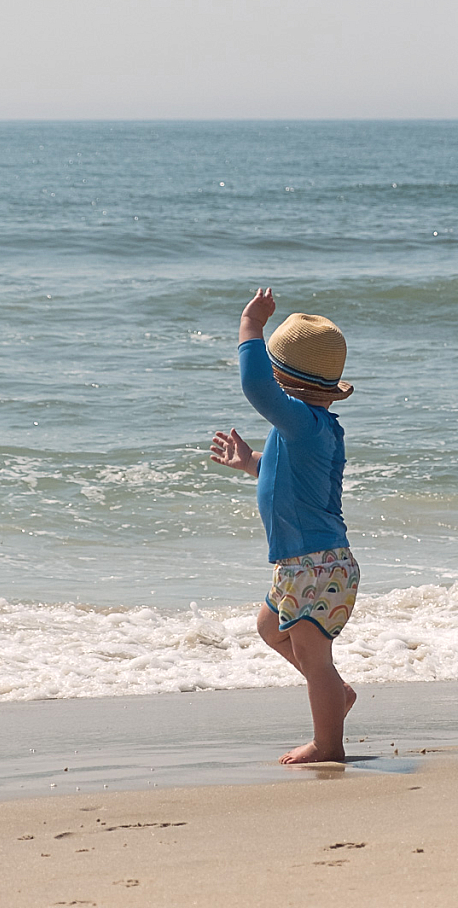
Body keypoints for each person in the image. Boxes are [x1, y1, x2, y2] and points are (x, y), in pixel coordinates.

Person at [210, 287, 359, 765]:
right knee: (269, 627)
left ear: (284, 380)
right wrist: (251, 462)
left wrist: (249, 325)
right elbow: (290, 481)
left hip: (313, 564)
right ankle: (334, 696)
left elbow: (255, 386)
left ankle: (328, 744)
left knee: (314, 657)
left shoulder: (301, 424)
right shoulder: (309, 428)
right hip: (309, 564)